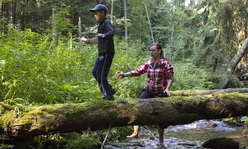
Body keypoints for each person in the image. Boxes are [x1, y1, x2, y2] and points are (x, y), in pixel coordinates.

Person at [116, 43, 174, 145]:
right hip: (149, 90)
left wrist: (168, 89)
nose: (151, 52)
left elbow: (170, 78)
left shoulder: (165, 63)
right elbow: (137, 71)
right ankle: (135, 132)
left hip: (160, 92)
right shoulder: (148, 63)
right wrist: (124, 75)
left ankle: (161, 141)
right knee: (137, 107)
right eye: (150, 50)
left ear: (159, 51)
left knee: (160, 115)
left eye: (153, 50)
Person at [80, 4, 116, 100]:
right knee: (95, 72)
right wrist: (86, 40)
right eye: (93, 14)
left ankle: (108, 96)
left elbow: (111, 32)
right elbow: (97, 40)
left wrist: (104, 35)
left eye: (96, 13)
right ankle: (109, 89)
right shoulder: (101, 24)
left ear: (102, 13)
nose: (94, 15)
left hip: (107, 52)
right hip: (102, 53)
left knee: (101, 75)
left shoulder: (106, 22)